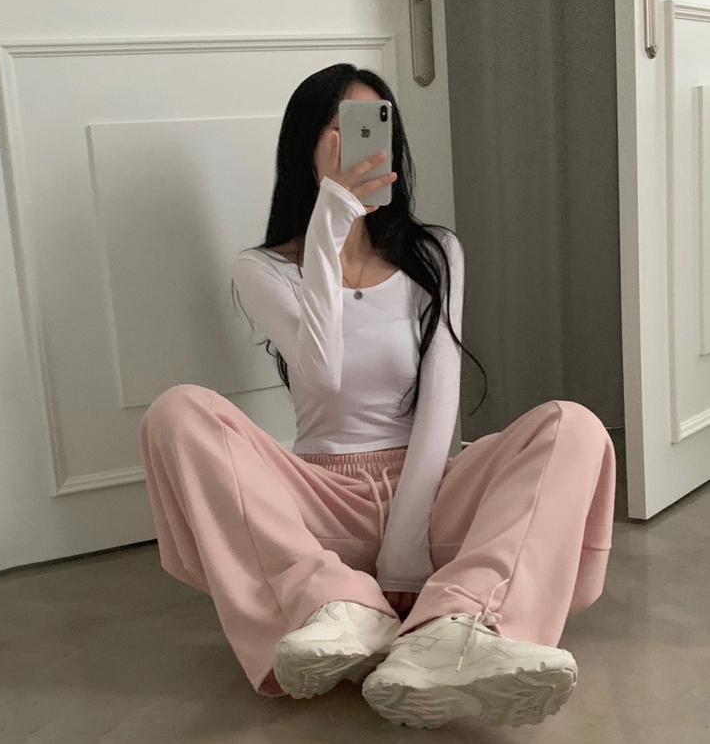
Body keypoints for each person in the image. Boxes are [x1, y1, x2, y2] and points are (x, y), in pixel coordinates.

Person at [138, 63, 616, 730]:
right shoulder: (262, 268)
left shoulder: (435, 252)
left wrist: (405, 551)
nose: (358, 140)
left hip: (431, 496)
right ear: (305, 144)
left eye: (372, 124)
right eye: (339, 126)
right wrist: (330, 225)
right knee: (177, 412)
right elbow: (322, 376)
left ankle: (460, 626)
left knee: (575, 425)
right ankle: (334, 604)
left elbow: (440, 406)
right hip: (318, 506)